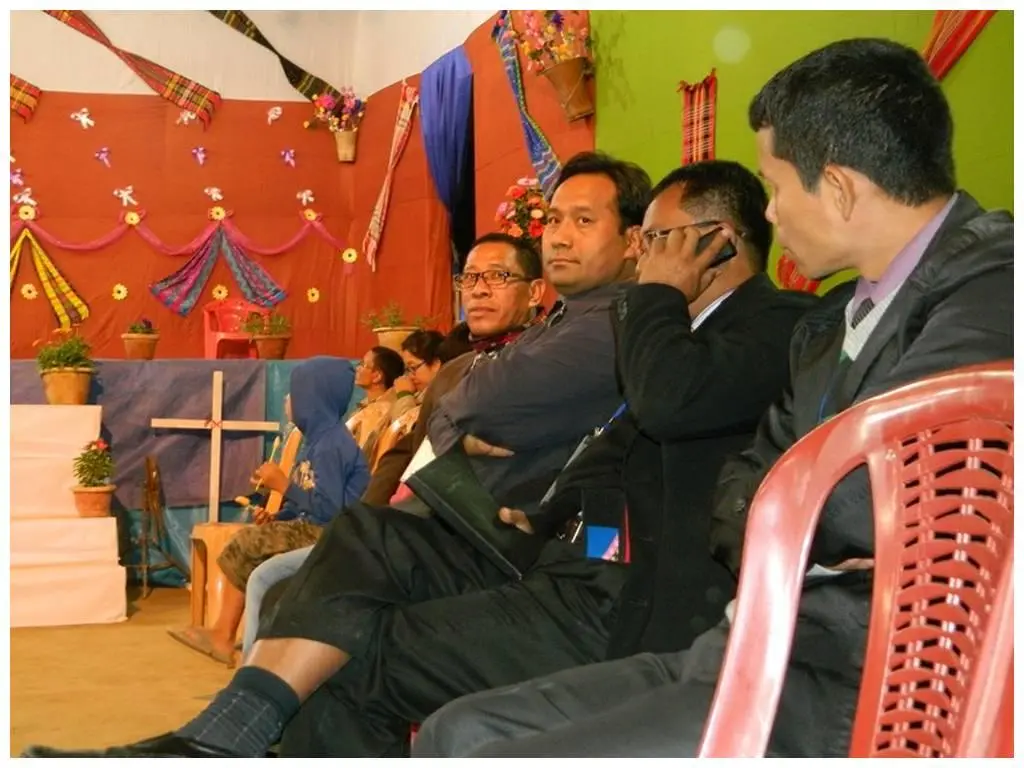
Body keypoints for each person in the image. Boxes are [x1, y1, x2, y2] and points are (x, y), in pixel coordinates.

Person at [408, 38, 1014, 758]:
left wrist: (808, 515)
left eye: (776, 188)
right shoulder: (831, 323)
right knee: (456, 730)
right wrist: (814, 523)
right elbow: (756, 485)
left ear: (840, 188)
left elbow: (880, 494)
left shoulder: (992, 285)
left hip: (864, 679)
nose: (772, 216)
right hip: (751, 640)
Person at [23, 151, 651, 758]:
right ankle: (221, 734)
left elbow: (473, 401)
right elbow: (450, 407)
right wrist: (460, 415)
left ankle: (222, 737)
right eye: (554, 219)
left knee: (338, 629)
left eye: (584, 220)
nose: (560, 235)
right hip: (469, 531)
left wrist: (461, 410)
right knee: (353, 549)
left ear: (633, 241)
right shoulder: (562, 325)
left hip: (531, 556)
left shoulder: (619, 322)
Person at [166, 357, 370, 667]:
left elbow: (331, 510)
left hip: (331, 535)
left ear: (315, 397)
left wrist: (284, 485)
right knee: (249, 541)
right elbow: (309, 499)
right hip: (314, 527)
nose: (288, 399)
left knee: (246, 545)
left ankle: (224, 635)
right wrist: (279, 516)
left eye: (295, 392)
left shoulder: (333, 444)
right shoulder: (316, 441)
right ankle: (226, 633)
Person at [361, 234, 546, 506]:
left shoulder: (549, 364)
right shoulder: (454, 369)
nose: (478, 290)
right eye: (469, 278)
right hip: (412, 513)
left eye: (497, 276)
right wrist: (368, 514)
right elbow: (411, 448)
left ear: (534, 293)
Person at [346, 345, 404, 456]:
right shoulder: (363, 406)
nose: (357, 368)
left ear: (377, 376)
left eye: (363, 364)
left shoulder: (388, 410)